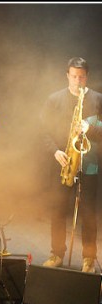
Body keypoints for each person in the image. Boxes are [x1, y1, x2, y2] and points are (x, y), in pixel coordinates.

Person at [40, 57, 102, 273]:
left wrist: (90, 128)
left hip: (90, 164)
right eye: (74, 76)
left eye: (82, 77)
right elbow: (44, 131)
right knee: (57, 210)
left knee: (89, 213)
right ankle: (57, 253)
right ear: (67, 76)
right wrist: (55, 151)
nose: (78, 81)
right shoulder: (54, 100)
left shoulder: (97, 99)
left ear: (87, 77)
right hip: (63, 160)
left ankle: (88, 258)